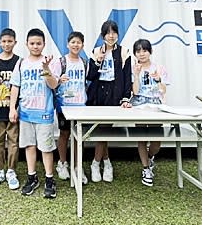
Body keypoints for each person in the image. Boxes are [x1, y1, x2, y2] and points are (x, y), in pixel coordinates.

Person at [9, 28, 61, 198]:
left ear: (44, 44)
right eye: (32, 43)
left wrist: (45, 68)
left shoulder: (51, 62)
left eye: (39, 43)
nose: (35, 46)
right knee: (29, 146)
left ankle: (49, 179)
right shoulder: (21, 63)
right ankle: (32, 177)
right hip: (25, 113)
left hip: (44, 113)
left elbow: (53, 85)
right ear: (27, 44)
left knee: (46, 148)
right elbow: (15, 86)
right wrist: (12, 108)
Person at [85, 20, 132, 183]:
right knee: (101, 129)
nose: (111, 36)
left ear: (118, 34)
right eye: (107, 33)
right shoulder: (96, 51)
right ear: (102, 35)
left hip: (114, 93)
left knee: (104, 129)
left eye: (114, 32)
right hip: (99, 93)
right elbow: (90, 76)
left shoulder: (124, 52)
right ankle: (105, 162)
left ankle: (97, 162)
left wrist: (126, 97)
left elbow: (127, 77)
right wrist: (97, 61)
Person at [128, 38, 169, 187]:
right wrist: (137, 75)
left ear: (150, 51)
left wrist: (158, 80)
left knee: (157, 139)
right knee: (141, 137)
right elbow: (135, 92)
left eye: (144, 50)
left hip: (155, 105)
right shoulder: (133, 69)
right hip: (139, 105)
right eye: (138, 51)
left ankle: (150, 156)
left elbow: (163, 90)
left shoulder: (159, 68)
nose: (142, 54)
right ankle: (146, 169)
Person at [0, 28, 21, 190]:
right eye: (4, 41)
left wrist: (16, 107)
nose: (7, 44)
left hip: (12, 109)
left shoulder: (19, 61)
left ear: (15, 42)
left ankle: (11, 171)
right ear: (0, 43)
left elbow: (21, 86)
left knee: (13, 141)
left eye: (10, 41)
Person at [55, 31, 89, 184]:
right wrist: (58, 79)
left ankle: (77, 166)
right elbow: (52, 81)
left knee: (79, 137)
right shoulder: (61, 61)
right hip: (64, 106)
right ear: (68, 44)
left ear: (82, 45)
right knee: (64, 134)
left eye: (79, 42)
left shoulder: (84, 62)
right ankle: (62, 163)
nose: (76, 45)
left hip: (80, 106)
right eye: (73, 42)